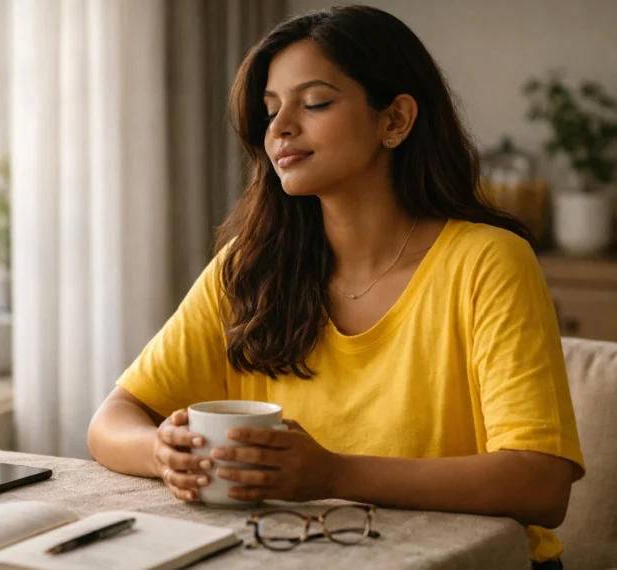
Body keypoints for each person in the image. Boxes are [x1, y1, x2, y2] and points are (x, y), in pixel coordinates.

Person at [87, 6, 584, 569]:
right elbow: (111, 421)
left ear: (395, 120)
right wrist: (162, 453)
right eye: (271, 110)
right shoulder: (250, 269)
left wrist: (332, 473)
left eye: (315, 103)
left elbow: (542, 484)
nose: (279, 129)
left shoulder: (488, 262)